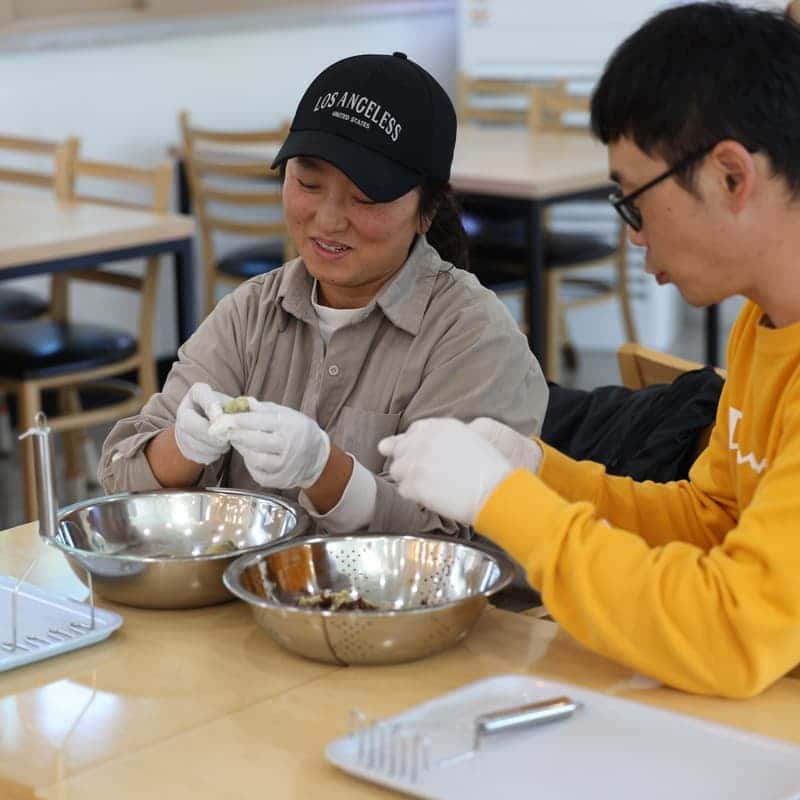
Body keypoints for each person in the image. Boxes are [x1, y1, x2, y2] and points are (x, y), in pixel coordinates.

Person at [379, 3, 800, 697]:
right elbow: (713, 520)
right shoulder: (764, 322)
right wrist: (542, 473)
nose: (633, 236)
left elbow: (732, 627)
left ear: (731, 176)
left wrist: (504, 502)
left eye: (634, 200)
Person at [99, 52, 547, 536]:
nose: (329, 220)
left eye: (365, 198)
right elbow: (120, 478)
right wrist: (184, 447)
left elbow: (463, 542)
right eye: (308, 183)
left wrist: (326, 471)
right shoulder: (251, 314)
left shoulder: (471, 336)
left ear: (426, 210)